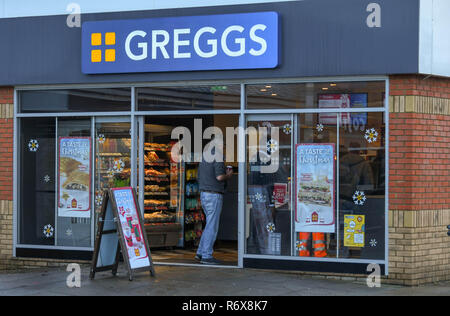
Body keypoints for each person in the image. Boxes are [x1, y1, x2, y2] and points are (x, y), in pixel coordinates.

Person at [195, 146, 233, 265]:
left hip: (204, 194)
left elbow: (198, 177)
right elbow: (219, 177)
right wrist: (229, 175)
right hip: (214, 195)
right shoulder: (217, 156)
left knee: (209, 224)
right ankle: (206, 255)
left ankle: (200, 252)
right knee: (212, 226)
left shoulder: (204, 157)